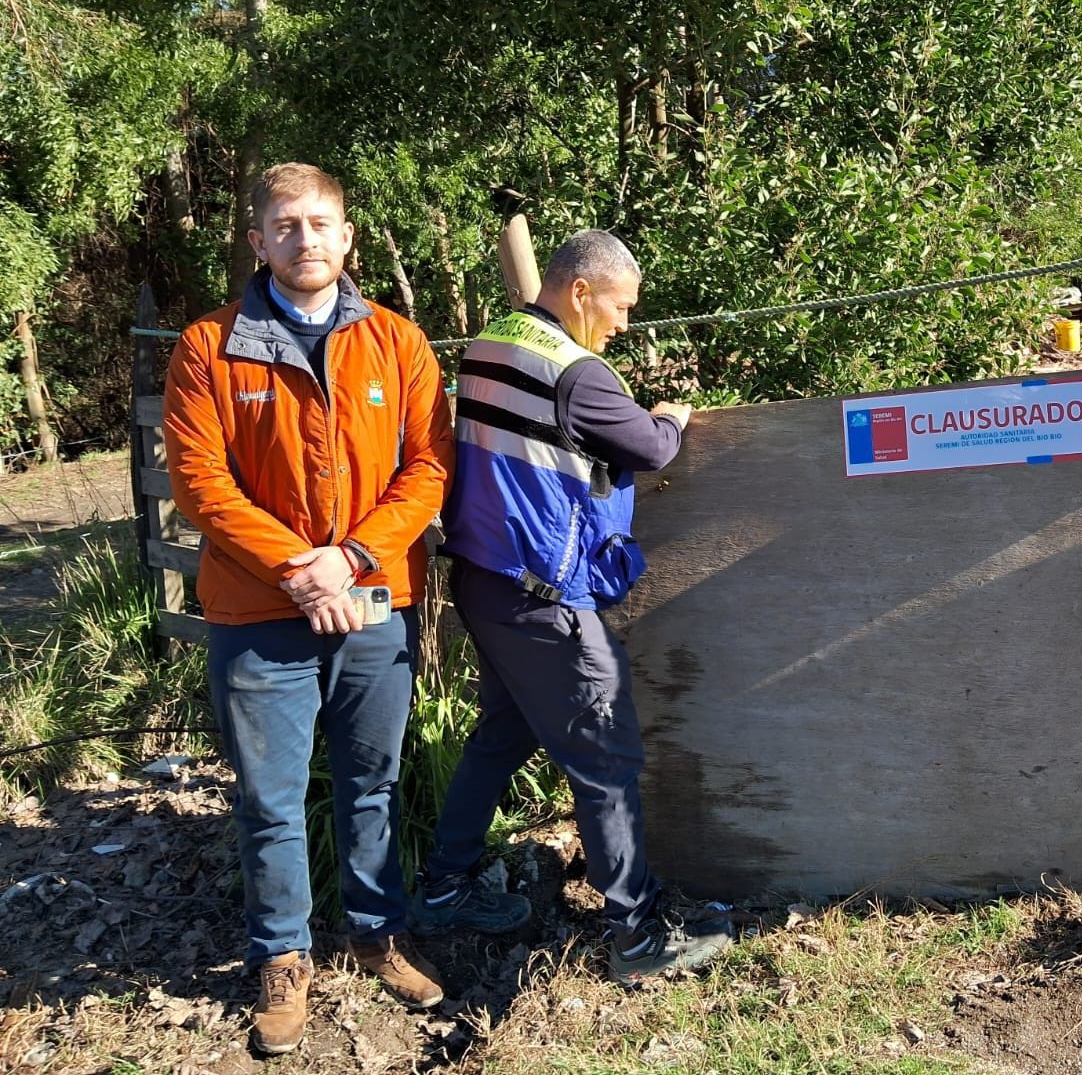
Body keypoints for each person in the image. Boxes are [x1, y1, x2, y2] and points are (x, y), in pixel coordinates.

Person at [164, 163, 454, 1053]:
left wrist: (353, 558)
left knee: (372, 783)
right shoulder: (209, 346)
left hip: (373, 600)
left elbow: (430, 466)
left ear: (347, 236)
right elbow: (199, 480)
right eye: (286, 226)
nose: (306, 240)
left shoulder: (399, 344)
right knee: (269, 798)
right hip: (259, 610)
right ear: (258, 241)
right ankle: (282, 957)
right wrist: (299, 567)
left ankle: (375, 934)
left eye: (321, 223)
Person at [409, 228, 733, 985]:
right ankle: (636, 930)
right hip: (543, 599)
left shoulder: (493, 340)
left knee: (500, 737)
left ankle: (447, 885)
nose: (623, 325)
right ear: (580, 291)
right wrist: (672, 419)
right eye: (620, 307)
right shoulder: (578, 374)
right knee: (606, 757)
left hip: (484, 580)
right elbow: (649, 449)